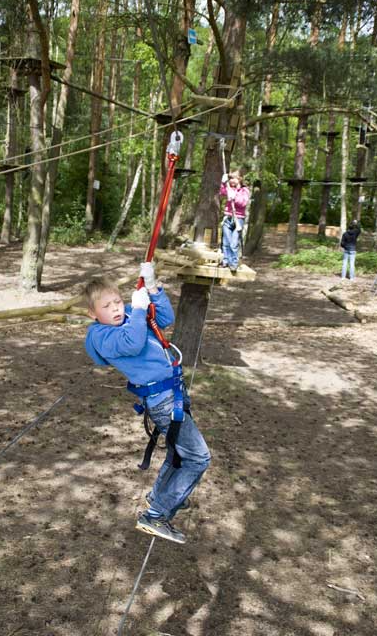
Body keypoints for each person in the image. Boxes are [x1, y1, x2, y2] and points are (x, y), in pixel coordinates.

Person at [84, 262, 211, 545]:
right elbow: (132, 342)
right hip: (162, 400)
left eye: (118, 301)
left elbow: (164, 318)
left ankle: (162, 496)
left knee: (180, 453)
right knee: (198, 458)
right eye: (107, 306)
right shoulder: (103, 336)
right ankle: (156, 515)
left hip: (172, 393)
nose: (116, 309)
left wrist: (152, 289)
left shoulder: (131, 315)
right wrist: (139, 310)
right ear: (93, 314)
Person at [219, 170, 251, 272]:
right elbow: (222, 192)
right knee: (226, 242)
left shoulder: (244, 190)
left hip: (238, 219)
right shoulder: (229, 188)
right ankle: (226, 261)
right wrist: (223, 183)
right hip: (228, 217)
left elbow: (243, 203)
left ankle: (233, 263)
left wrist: (234, 197)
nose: (231, 180)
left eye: (234, 178)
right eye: (230, 178)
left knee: (234, 243)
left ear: (240, 179)